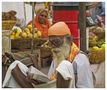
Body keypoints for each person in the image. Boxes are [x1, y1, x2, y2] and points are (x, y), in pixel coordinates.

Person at [47, 22, 94, 88]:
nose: (54, 46)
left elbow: (86, 86)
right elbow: (49, 80)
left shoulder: (80, 59)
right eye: (51, 43)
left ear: (68, 40)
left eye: (57, 42)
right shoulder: (57, 56)